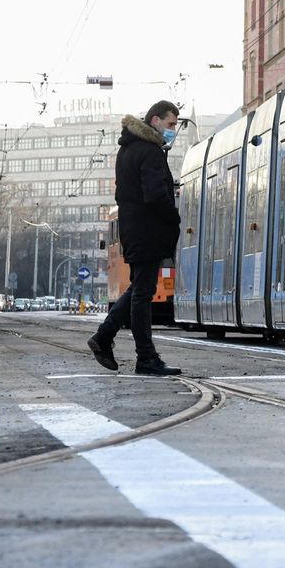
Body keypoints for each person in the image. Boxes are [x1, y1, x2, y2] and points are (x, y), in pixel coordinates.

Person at [87, 101, 182, 376]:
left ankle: (105, 337)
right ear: (155, 120)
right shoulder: (150, 151)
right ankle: (145, 357)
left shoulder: (128, 148)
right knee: (143, 293)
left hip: (134, 229)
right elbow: (155, 195)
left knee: (140, 288)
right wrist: (173, 217)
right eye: (171, 124)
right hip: (148, 230)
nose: (173, 130)